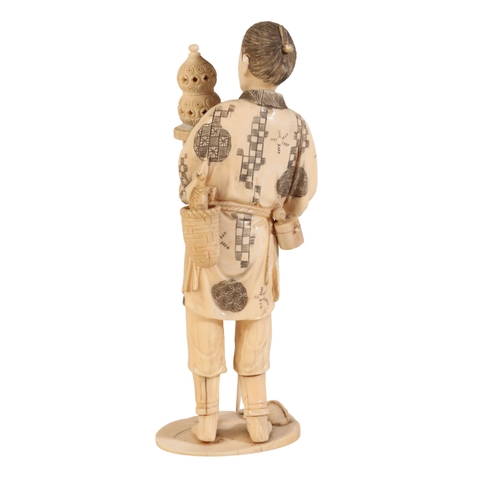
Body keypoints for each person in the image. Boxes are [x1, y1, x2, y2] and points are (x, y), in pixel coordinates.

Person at [178, 21, 317, 443]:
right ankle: (256, 417)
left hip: (209, 234)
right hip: (258, 240)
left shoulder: (218, 115)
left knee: (204, 312)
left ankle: (206, 419)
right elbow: (301, 190)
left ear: (243, 61)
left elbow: (187, 173)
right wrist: (278, 211)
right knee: (256, 317)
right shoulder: (297, 126)